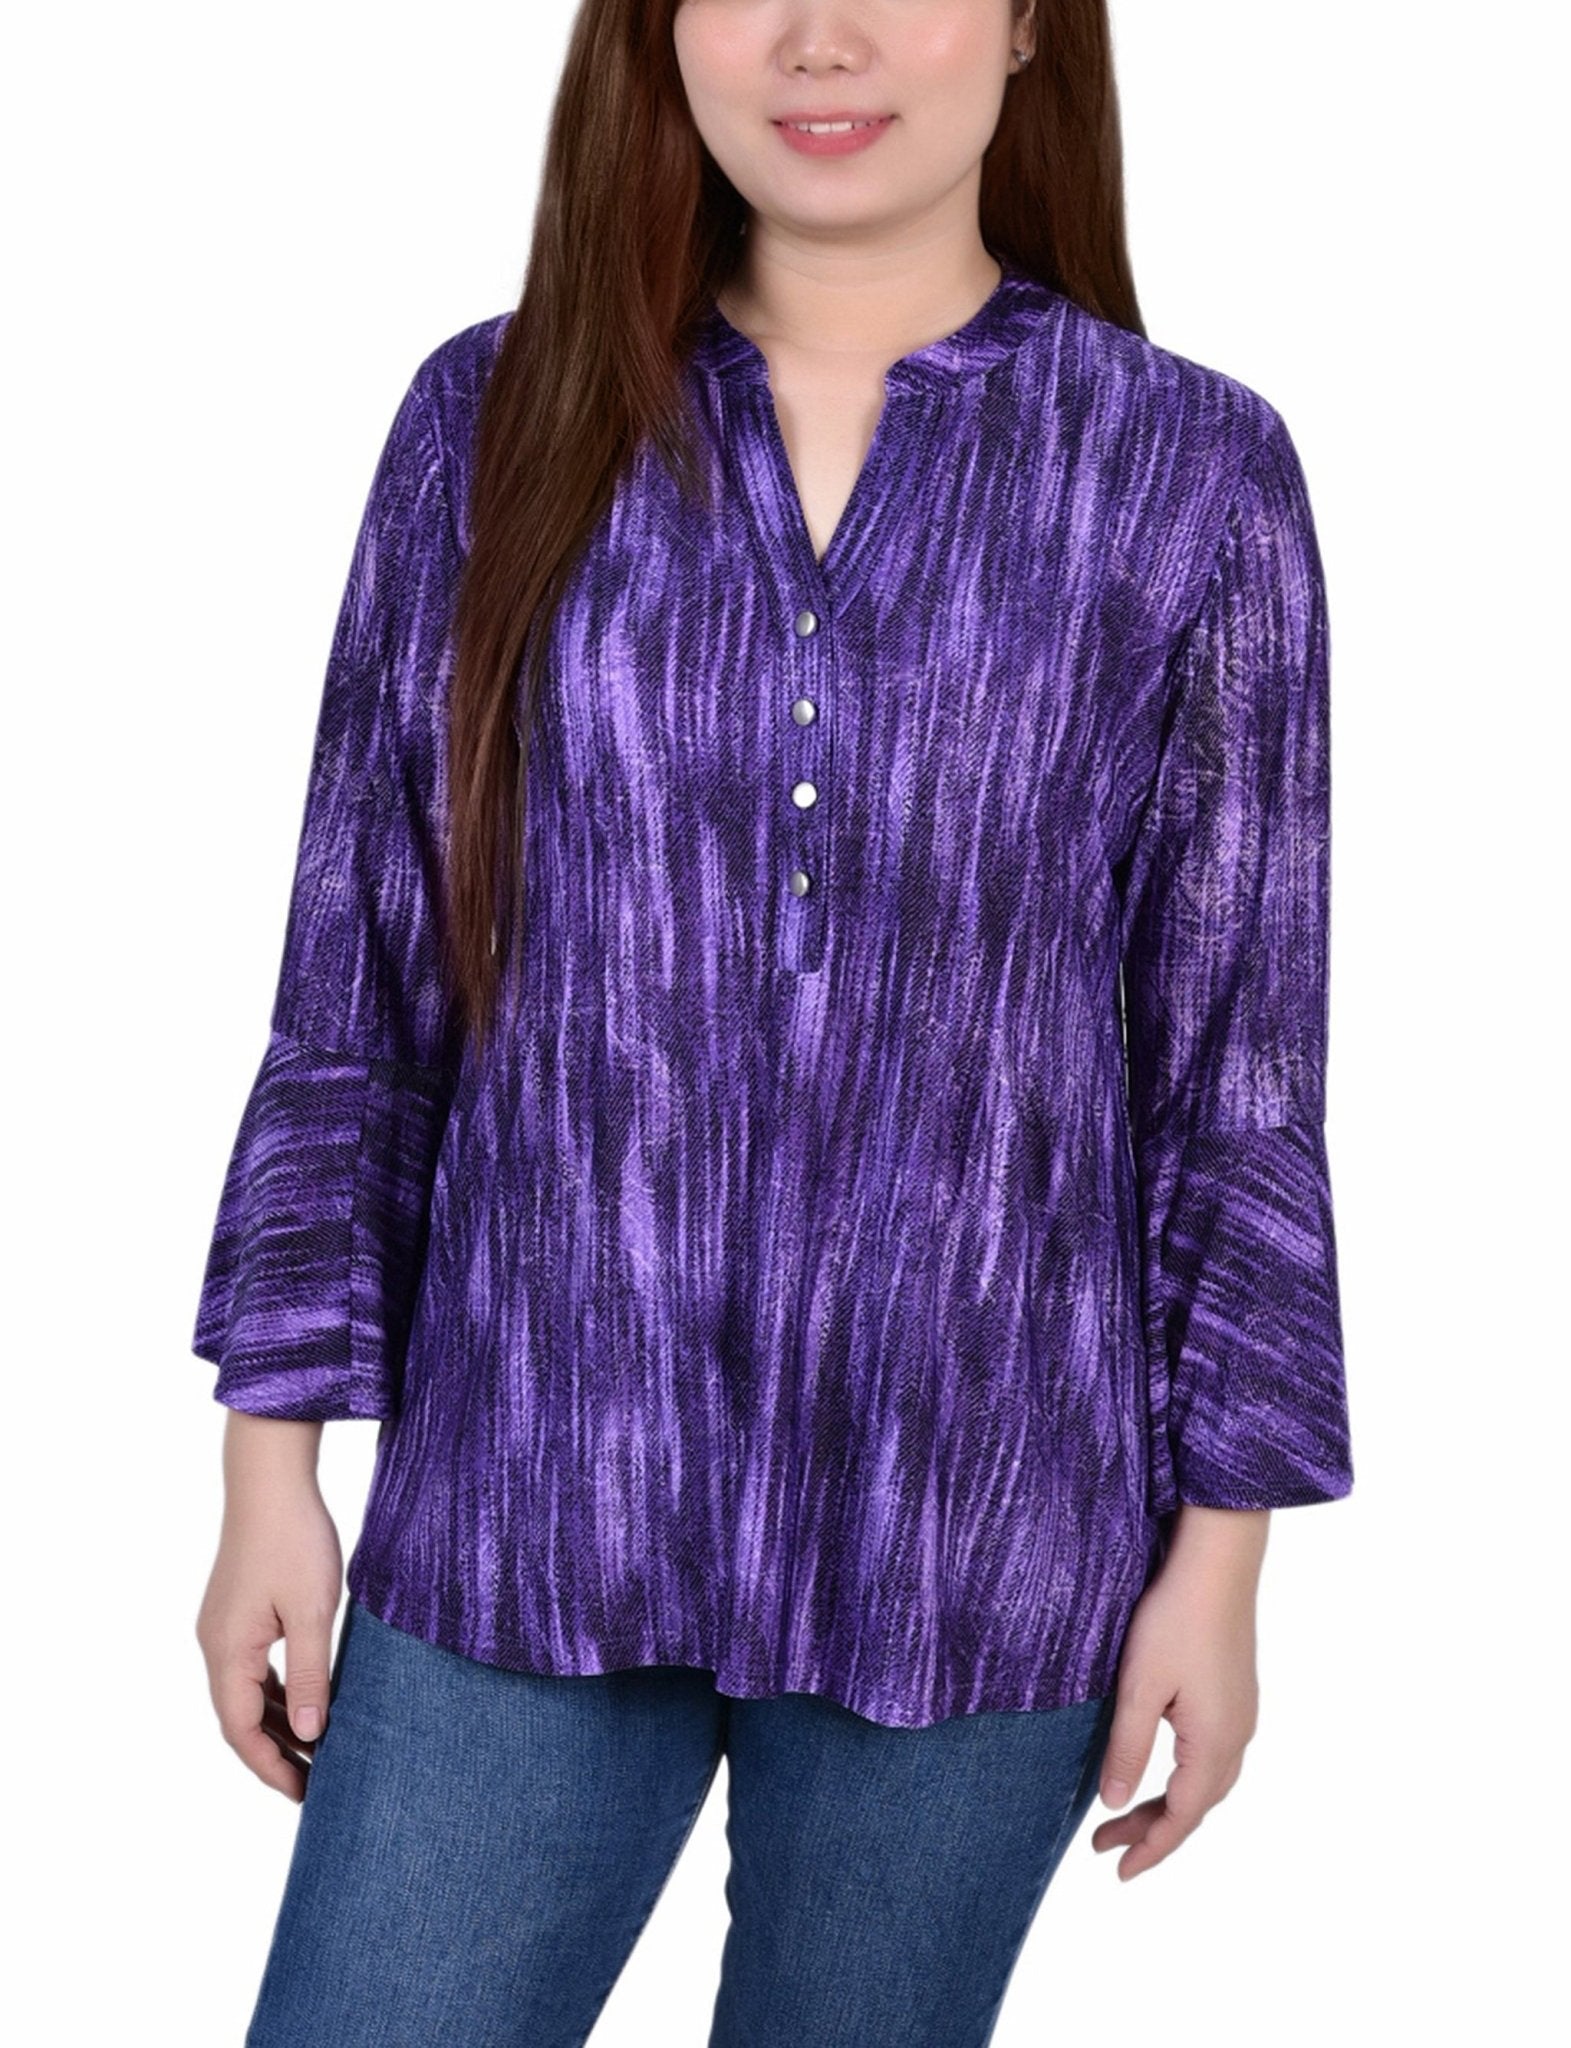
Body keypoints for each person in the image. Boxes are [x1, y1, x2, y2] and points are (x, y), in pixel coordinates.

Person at [190, 2, 1355, 2042]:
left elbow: (1236, 1065)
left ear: (1026, 24)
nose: (823, 38)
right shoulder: (492, 417)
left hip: (977, 1522)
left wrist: (1227, 1556)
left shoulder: (1189, 473)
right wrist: (267, 1461)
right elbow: (359, 965)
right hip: (535, 1483)